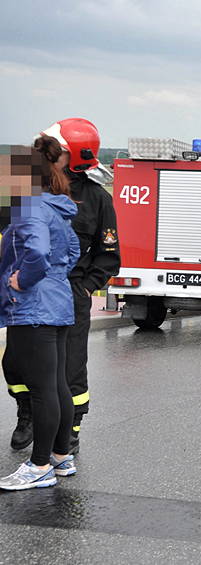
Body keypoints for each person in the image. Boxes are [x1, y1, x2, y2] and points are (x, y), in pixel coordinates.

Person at [7, 118, 120, 454]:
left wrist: (85, 287)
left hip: (69, 293)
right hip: (25, 291)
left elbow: (108, 254)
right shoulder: (27, 186)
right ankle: (27, 409)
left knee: (69, 367)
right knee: (14, 361)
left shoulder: (97, 198)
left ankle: (69, 430)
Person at [0, 139, 80, 490]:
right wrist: (53, 276)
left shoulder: (28, 207)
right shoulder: (54, 208)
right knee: (57, 385)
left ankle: (39, 465)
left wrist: (24, 279)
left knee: (43, 388)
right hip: (57, 302)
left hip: (33, 306)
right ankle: (61, 457)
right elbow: (73, 249)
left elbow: (38, 251)